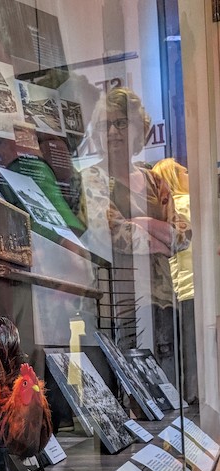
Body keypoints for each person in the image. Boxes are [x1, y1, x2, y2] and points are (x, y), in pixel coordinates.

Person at [79, 88, 191, 383]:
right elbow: (110, 231)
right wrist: (159, 236)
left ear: (139, 130)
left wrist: (140, 222)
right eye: (106, 124)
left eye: (121, 123)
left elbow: (183, 234)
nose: (113, 131)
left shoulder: (154, 179)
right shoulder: (93, 178)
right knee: (130, 390)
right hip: (118, 303)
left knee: (168, 389)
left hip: (164, 301)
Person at [152, 157, 197, 402]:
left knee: (181, 350)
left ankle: (186, 398)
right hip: (193, 286)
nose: (188, 175)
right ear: (174, 177)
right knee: (195, 350)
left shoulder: (168, 209)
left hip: (177, 289)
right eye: (183, 172)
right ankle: (195, 399)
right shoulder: (188, 203)